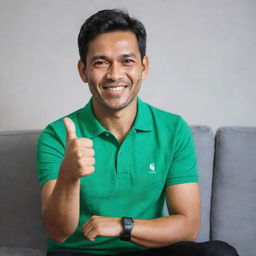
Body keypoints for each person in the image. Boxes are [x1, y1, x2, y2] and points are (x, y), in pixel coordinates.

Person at [36, 9, 239, 256]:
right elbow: (58, 232)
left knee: (219, 252)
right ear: (83, 70)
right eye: (101, 62)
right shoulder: (57, 135)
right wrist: (69, 176)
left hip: (144, 249)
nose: (114, 74)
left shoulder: (173, 129)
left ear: (144, 67)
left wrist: (122, 225)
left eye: (127, 61)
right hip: (79, 253)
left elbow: (188, 227)